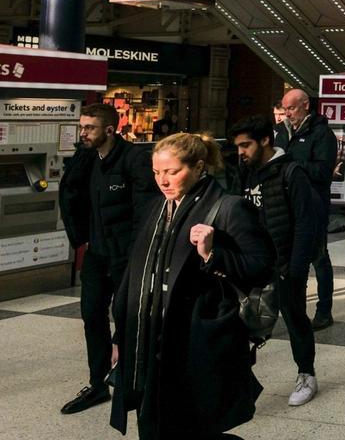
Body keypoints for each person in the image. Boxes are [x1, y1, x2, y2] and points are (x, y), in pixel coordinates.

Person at [110, 132, 275, 440]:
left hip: (195, 336)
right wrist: (121, 333)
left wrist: (213, 254)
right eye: (157, 172)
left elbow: (261, 267)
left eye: (172, 171)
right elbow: (134, 272)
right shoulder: (155, 209)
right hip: (149, 334)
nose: (163, 180)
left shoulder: (228, 208)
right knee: (153, 418)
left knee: (192, 422)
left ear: (199, 167)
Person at [57, 103, 158, 416]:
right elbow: (69, 193)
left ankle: (134, 383)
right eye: (82, 127)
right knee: (91, 315)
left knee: (128, 319)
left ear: (110, 130)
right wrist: (79, 239)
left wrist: (139, 254)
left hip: (127, 256)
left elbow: (145, 210)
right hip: (97, 254)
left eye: (89, 128)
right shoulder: (87, 160)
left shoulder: (134, 160)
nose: (82, 133)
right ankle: (98, 382)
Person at [230, 116, 324, 406]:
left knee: (295, 318)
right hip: (250, 263)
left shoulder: (291, 173)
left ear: (265, 141)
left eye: (246, 145)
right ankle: (239, 381)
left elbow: (306, 223)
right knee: (242, 323)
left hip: (283, 263)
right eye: (238, 147)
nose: (240, 152)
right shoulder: (245, 172)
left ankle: (306, 375)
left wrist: (295, 268)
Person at [274, 88, 338, 330]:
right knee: (290, 256)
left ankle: (324, 311)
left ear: (305, 105)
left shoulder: (322, 134)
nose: (287, 113)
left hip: (313, 205)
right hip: (285, 204)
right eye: (284, 108)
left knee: (318, 257)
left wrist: (290, 165)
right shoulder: (281, 132)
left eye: (291, 108)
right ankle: (294, 306)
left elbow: (322, 172)